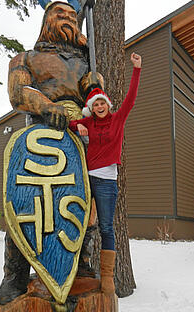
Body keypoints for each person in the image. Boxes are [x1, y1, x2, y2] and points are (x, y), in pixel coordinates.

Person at [0, 0, 103, 305]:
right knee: (26, 202)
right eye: (60, 13)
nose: (68, 17)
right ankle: (14, 275)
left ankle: (79, 265)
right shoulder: (25, 58)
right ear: (47, 20)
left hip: (80, 135)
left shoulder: (85, 62)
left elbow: (94, 98)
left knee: (85, 204)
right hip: (41, 134)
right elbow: (18, 93)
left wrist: (96, 85)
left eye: (72, 14)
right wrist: (45, 105)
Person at [69, 52, 142, 294]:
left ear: (107, 105)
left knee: (106, 228)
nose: (99, 107)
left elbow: (131, 99)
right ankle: (77, 267)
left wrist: (136, 69)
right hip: (85, 179)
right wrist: (77, 123)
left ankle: (108, 276)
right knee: (78, 222)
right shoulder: (89, 123)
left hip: (106, 181)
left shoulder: (117, 120)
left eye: (102, 103)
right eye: (95, 105)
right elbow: (67, 124)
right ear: (91, 108)